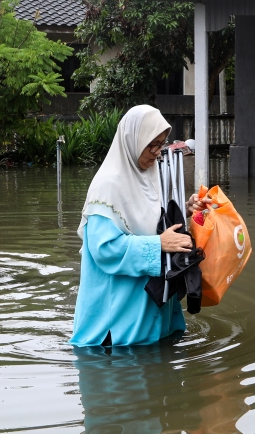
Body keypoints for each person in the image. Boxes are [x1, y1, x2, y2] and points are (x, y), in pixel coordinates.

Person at [71, 105, 210, 347]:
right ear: (133, 140)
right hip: (118, 309)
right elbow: (104, 249)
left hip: (149, 300)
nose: (157, 152)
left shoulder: (150, 174)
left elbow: (152, 221)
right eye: (152, 144)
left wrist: (186, 210)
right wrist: (158, 245)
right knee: (119, 373)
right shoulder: (108, 185)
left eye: (161, 144)